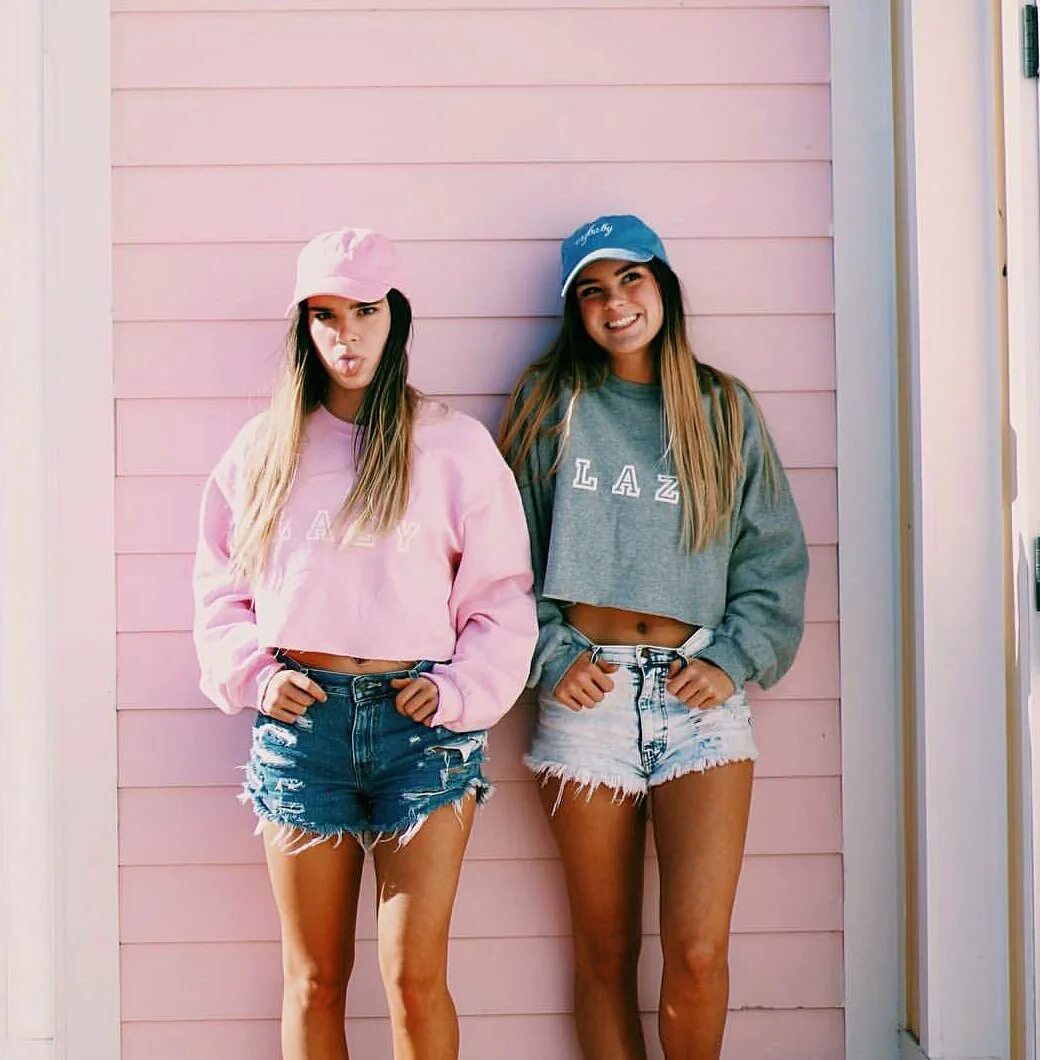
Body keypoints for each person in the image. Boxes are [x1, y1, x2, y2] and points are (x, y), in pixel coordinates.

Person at [193, 227, 537, 1060]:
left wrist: (459, 692)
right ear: (304, 327)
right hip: (303, 731)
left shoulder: (453, 445)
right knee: (314, 980)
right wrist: (253, 674)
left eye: (366, 311)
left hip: (421, 733)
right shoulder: (265, 448)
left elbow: (500, 596)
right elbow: (219, 588)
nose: (346, 334)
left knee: (414, 978)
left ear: (397, 317)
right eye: (326, 315)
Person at [498, 215, 808, 1060]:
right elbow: (501, 558)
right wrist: (552, 655)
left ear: (662, 285)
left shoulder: (722, 409)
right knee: (604, 955)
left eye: (630, 279)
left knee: (699, 954)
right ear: (575, 311)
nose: (616, 304)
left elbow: (774, 558)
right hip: (585, 699)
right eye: (592, 291)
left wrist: (733, 657)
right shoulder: (548, 404)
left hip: (698, 699)